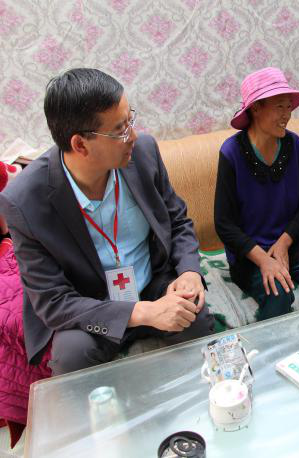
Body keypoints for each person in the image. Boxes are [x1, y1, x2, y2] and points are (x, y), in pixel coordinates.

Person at [0, 68, 216, 375]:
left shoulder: (144, 153)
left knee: (196, 317)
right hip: (92, 301)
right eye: (120, 130)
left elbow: (177, 220)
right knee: (72, 355)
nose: (133, 136)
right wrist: (142, 312)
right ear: (80, 145)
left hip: (153, 281)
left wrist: (190, 271)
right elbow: (53, 301)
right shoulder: (24, 201)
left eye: (130, 120)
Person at [214, 67, 299, 320]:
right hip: (251, 255)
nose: (287, 115)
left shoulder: (294, 145)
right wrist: (264, 260)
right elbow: (224, 224)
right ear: (256, 108)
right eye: (279, 107)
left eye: (289, 107)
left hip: (292, 244)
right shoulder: (231, 152)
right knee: (278, 293)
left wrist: (284, 243)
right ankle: (270, 347)